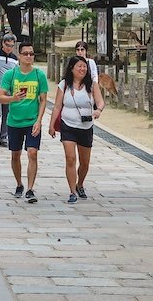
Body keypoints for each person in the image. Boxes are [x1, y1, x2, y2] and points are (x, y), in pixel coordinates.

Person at [49, 54, 105, 203]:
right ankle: (72, 191)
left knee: (85, 162)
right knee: (70, 158)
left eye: (84, 66)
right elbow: (57, 106)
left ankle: (80, 184)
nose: (82, 69)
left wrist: (98, 110)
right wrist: (52, 125)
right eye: (79, 66)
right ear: (72, 68)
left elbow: (100, 102)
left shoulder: (92, 85)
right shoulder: (64, 85)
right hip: (68, 124)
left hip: (86, 126)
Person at [0, 41, 48, 203]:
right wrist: (13, 98)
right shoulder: (10, 75)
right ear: (19, 55)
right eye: (25, 53)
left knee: (32, 153)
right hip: (14, 121)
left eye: (31, 54)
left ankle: (30, 189)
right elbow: (0, 97)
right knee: (15, 154)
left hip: (32, 120)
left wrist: (39, 120)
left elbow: (43, 100)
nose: (28, 56)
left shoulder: (39, 75)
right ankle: (19, 183)